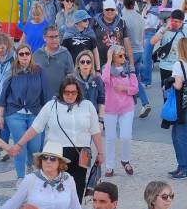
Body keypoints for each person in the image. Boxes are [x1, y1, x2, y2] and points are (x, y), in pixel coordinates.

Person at [10, 77, 105, 196]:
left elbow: (95, 131)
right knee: (57, 190)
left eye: (73, 92)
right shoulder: (51, 105)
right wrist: (19, 144)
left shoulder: (88, 105)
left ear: (78, 92)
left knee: (78, 189)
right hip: (57, 153)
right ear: (61, 92)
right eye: (66, 92)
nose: (70, 95)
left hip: (83, 153)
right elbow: (36, 127)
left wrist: (100, 153)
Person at [0, 43, 50, 179]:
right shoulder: (12, 71)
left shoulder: (39, 71)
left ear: (31, 55)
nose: (24, 56)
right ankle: (20, 177)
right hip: (15, 114)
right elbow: (3, 95)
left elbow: (46, 95)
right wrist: (0, 116)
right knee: (19, 146)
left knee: (35, 148)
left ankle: (30, 164)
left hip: (35, 114)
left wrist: (47, 117)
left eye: (27, 53)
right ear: (17, 57)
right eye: (21, 54)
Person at [102, 44, 139, 176]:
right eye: (120, 55)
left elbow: (136, 88)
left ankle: (125, 160)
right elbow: (104, 79)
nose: (124, 58)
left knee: (126, 136)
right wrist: (108, 59)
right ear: (113, 57)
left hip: (127, 107)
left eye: (124, 55)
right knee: (110, 138)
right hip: (110, 108)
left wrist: (124, 89)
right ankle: (109, 165)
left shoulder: (129, 69)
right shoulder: (107, 69)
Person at [166, 37, 187, 179]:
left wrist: (169, 81)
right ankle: (182, 166)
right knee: (178, 136)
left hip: (181, 105)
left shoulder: (178, 65)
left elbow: (178, 85)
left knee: (180, 137)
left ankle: (186, 169)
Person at [32, 26, 77, 100]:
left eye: (56, 36)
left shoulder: (65, 53)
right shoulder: (37, 55)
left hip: (60, 97)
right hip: (40, 98)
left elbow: (71, 76)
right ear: (44, 38)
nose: (55, 39)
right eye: (51, 37)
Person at [73, 49, 106, 116]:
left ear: (91, 64)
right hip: (77, 116)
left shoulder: (97, 79)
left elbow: (101, 100)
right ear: (78, 64)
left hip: (94, 116)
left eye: (88, 62)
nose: (85, 64)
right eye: (82, 62)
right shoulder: (72, 80)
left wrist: (101, 120)